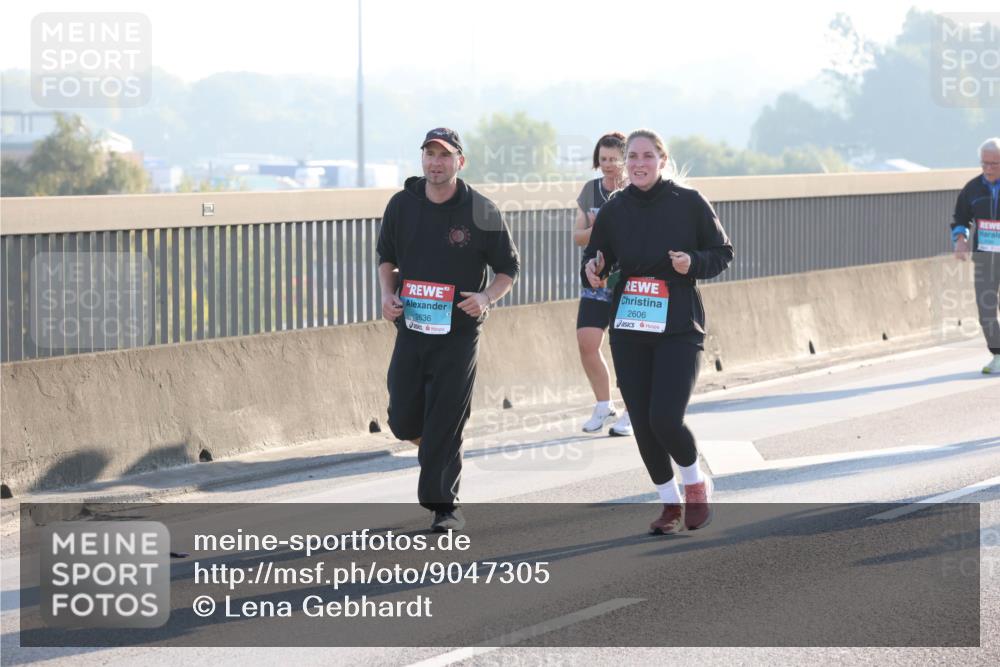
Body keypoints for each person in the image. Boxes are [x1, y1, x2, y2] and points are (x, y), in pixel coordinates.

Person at [582, 129, 734, 534]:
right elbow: (595, 256)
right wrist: (593, 269)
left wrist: (693, 263)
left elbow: (723, 253)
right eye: (632, 156)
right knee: (643, 423)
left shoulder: (689, 202)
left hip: (679, 326)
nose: (638, 163)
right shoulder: (615, 209)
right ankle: (669, 504)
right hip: (630, 326)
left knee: (665, 417)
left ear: (662, 160)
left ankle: (694, 483)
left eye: (648, 156)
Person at [377, 127, 520, 531]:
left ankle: (445, 507)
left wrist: (487, 298)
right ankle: (439, 451)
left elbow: (509, 268)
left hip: (459, 333)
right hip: (411, 327)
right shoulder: (402, 205)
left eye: (444, 155)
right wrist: (388, 297)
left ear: (460, 161)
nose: (436, 163)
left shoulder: (481, 210)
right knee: (403, 420)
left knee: (445, 420)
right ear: (422, 159)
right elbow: (386, 257)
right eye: (429, 154)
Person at [573, 132, 632, 436]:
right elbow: (578, 236)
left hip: (627, 280)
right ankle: (603, 404)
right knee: (587, 342)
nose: (608, 165)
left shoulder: (634, 191)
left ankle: (632, 409)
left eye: (614, 159)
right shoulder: (590, 191)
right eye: (603, 159)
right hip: (594, 275)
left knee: (626, 348)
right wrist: (598, 226)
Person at [953, 137, 1000, 375]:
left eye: (994, 164)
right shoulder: (972, 189)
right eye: (985, 163)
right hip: (984, 257)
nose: (989, 168)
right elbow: (961, 218)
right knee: (986, 308)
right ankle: (998, 354)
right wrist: (960, 240)